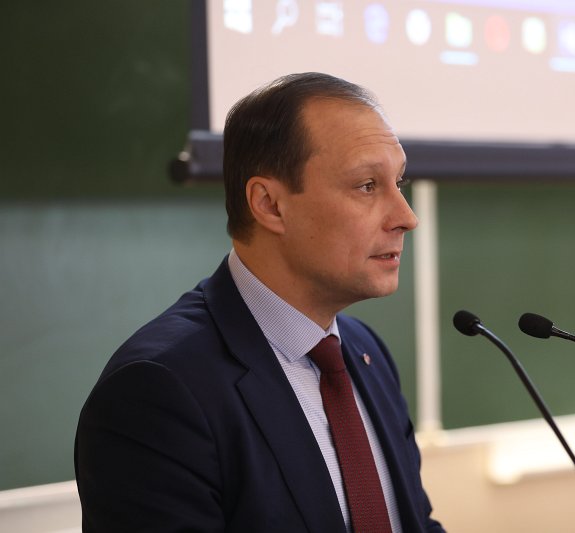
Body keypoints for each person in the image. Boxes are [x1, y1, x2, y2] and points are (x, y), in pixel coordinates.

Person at [75, 72, 445, 532]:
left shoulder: (366, 352)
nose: (407, 217)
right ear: (269, 204)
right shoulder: (158, 391)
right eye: (367, 185)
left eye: (399, 183)